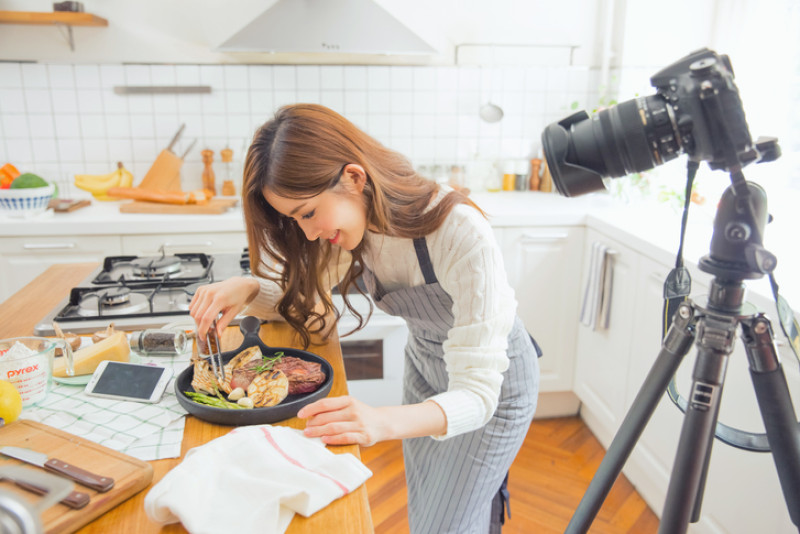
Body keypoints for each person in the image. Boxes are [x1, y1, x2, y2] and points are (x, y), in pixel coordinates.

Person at [189, 103, 540, 534]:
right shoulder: (353, 225)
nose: (307, 233)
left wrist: (381, 420)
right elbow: (308, 307)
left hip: (492, 389)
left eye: (308, 213)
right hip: (425, 371)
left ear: (354, 177)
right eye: (293, 220)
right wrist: (246, 288)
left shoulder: (458, 231)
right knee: (429, 510)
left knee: (446, 526)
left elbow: (479, 395)